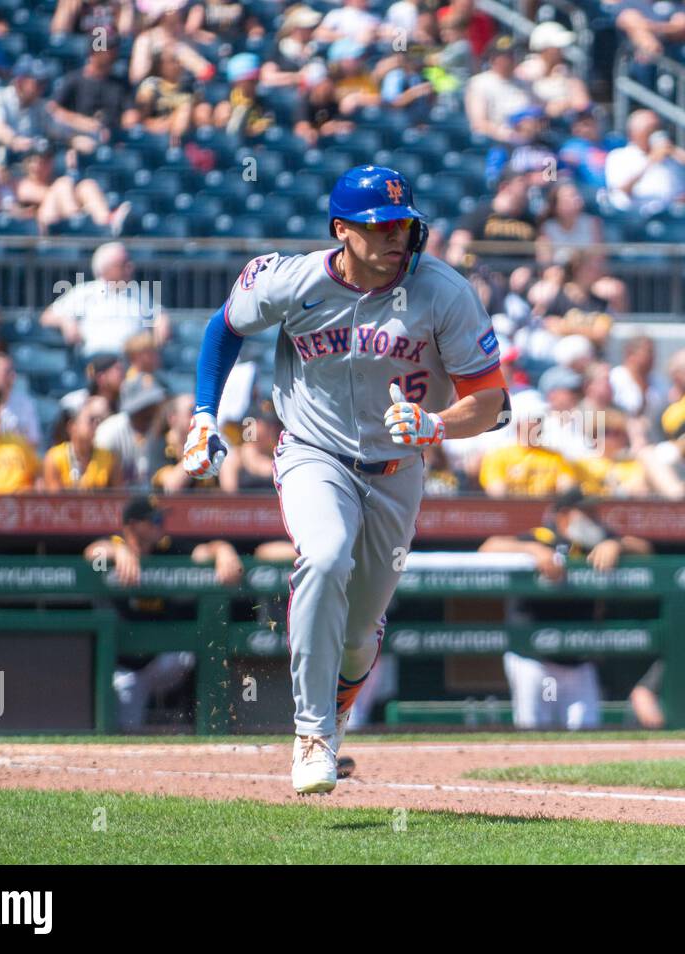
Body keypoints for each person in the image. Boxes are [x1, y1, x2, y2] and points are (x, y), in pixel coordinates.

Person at [179, 165, 508, 794]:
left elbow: (493, 402)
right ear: (341, 231)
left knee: (359, 637)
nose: (396, 237)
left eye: (404, 225)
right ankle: (311, 732)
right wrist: (203, 414)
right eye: (380, 227)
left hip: (397, 470)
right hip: (312, 451)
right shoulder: (294, 279)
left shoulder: (444, 291)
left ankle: (336, 709)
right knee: (325, 555)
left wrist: (436, 426)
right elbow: (224, 327)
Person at [480, 489, 652, 729]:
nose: (594, 517)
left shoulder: (599, 538)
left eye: (595, 511)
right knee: (532, 732)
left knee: (586, 729)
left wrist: (616, 545)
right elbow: (488, 547)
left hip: (579, 657)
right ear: (563, 514)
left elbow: (645, 548)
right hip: (533, 655)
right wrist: (533, 550)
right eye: (586, 511)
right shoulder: (542, 536)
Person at [83, 495, 240, 730]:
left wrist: (224, 550)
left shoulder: (167, 547)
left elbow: (204, 551)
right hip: (126, 666)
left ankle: (200, 721)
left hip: (163, 660)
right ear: (133, 525)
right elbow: (92, 553)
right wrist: (119, 552)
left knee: (199, 650)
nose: (160, 524)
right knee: (125, 731)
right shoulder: (113, 545)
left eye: (161, 518)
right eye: (154, 519)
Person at [40, 241, 170, 356]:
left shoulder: (139, 294)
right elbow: (47, 317)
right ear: (106, 268)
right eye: (123, 264)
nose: (130, 267)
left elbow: (159, 316)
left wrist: (161, 322)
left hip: (130, 361)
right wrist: (66, 322)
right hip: (95, 360)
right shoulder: (85, 292)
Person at [605, 108, 685, 215]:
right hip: (632, 217)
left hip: (668, 218)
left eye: (657, 128)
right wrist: (651, 161)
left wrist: (678, 156)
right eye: (650, 129)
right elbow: (620, 191)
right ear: (633, 133)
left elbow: (682, 195)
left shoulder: (669, 159)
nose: (655, 133)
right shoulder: (618, 156)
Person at [479, 400, 576, 497]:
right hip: (513, 510)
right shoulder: (497, 455)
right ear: (518, 423)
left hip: (545, 510)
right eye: (534, 420)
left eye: (540, 420)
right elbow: (496, 491)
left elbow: (567, 487)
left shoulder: (555, 457)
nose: (539, 424)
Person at [96, 373, 167, 487]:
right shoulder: (110, 431)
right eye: (145, 406)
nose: (151, 410)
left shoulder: (162, 428)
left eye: (153, 405)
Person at [41, 395, 121, 490]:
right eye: (91, 420)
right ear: (72, 426)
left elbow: (118, 498)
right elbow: (54, 501)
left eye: (97, 420)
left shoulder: (108, 458)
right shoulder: (54, 458)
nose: (96, 425)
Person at [464, 35, 535, 143]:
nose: (512, 59)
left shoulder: (524, 81)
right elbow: (479, 123)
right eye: (507, 56)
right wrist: (509, 134)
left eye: (513, 55)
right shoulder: (479, 83)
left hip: (530, 139)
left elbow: (536, 110)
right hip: (496, 143)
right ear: (493, 59)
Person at [217, 402, 282, 493]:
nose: (273, 430)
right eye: (267, 425)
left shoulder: (280, 454)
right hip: (245, 506)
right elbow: (229, 498)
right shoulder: (234, 458)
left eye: (275, 425)